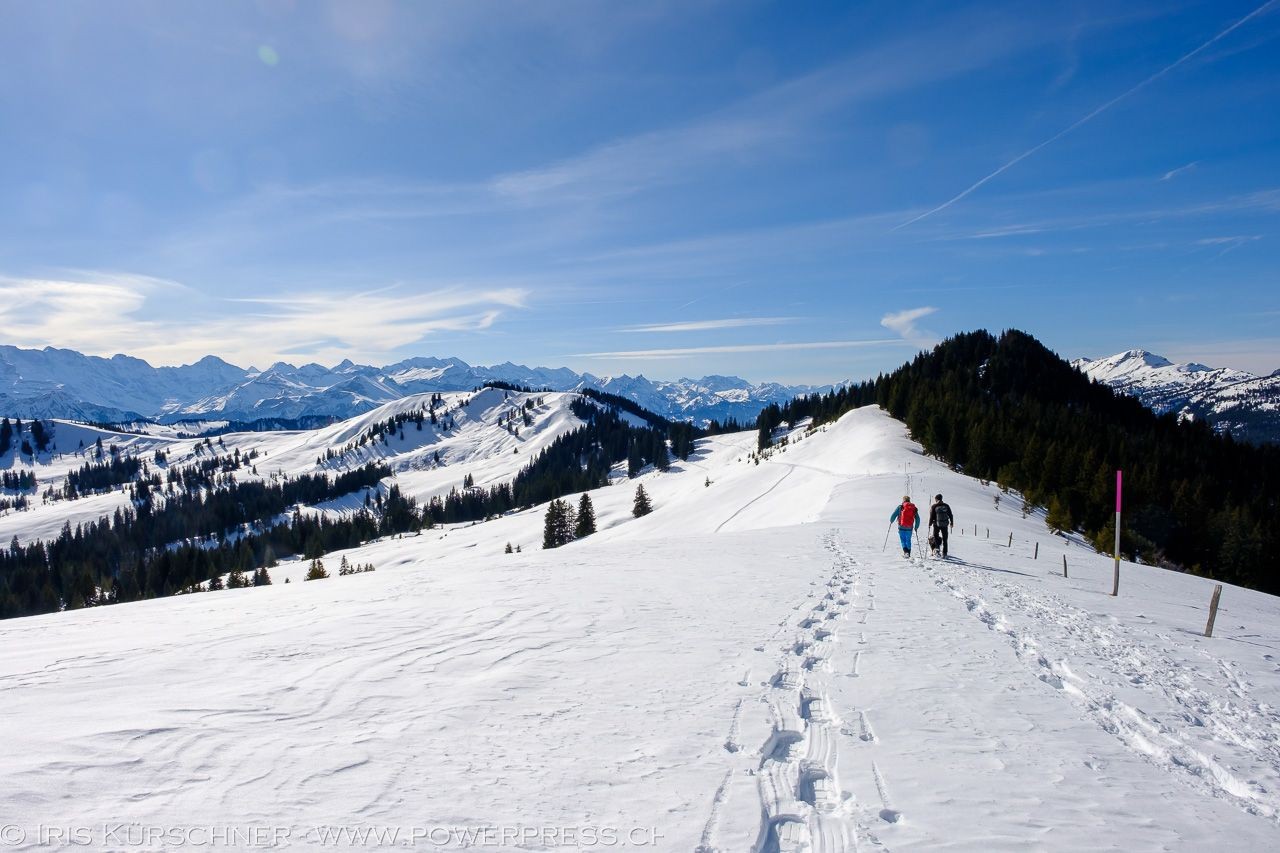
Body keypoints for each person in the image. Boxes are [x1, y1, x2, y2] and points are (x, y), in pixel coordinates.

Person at [928, 494, 954, 559]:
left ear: (936, 499)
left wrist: (930, 523)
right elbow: (950, 514)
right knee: (945, 539)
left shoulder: (934, 506)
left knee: (936, 536)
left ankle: (937, 550)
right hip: (945, 524)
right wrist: (951, 523)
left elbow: (931, 516)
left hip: (936, 524)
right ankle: (945, 553)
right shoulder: (946, 505)